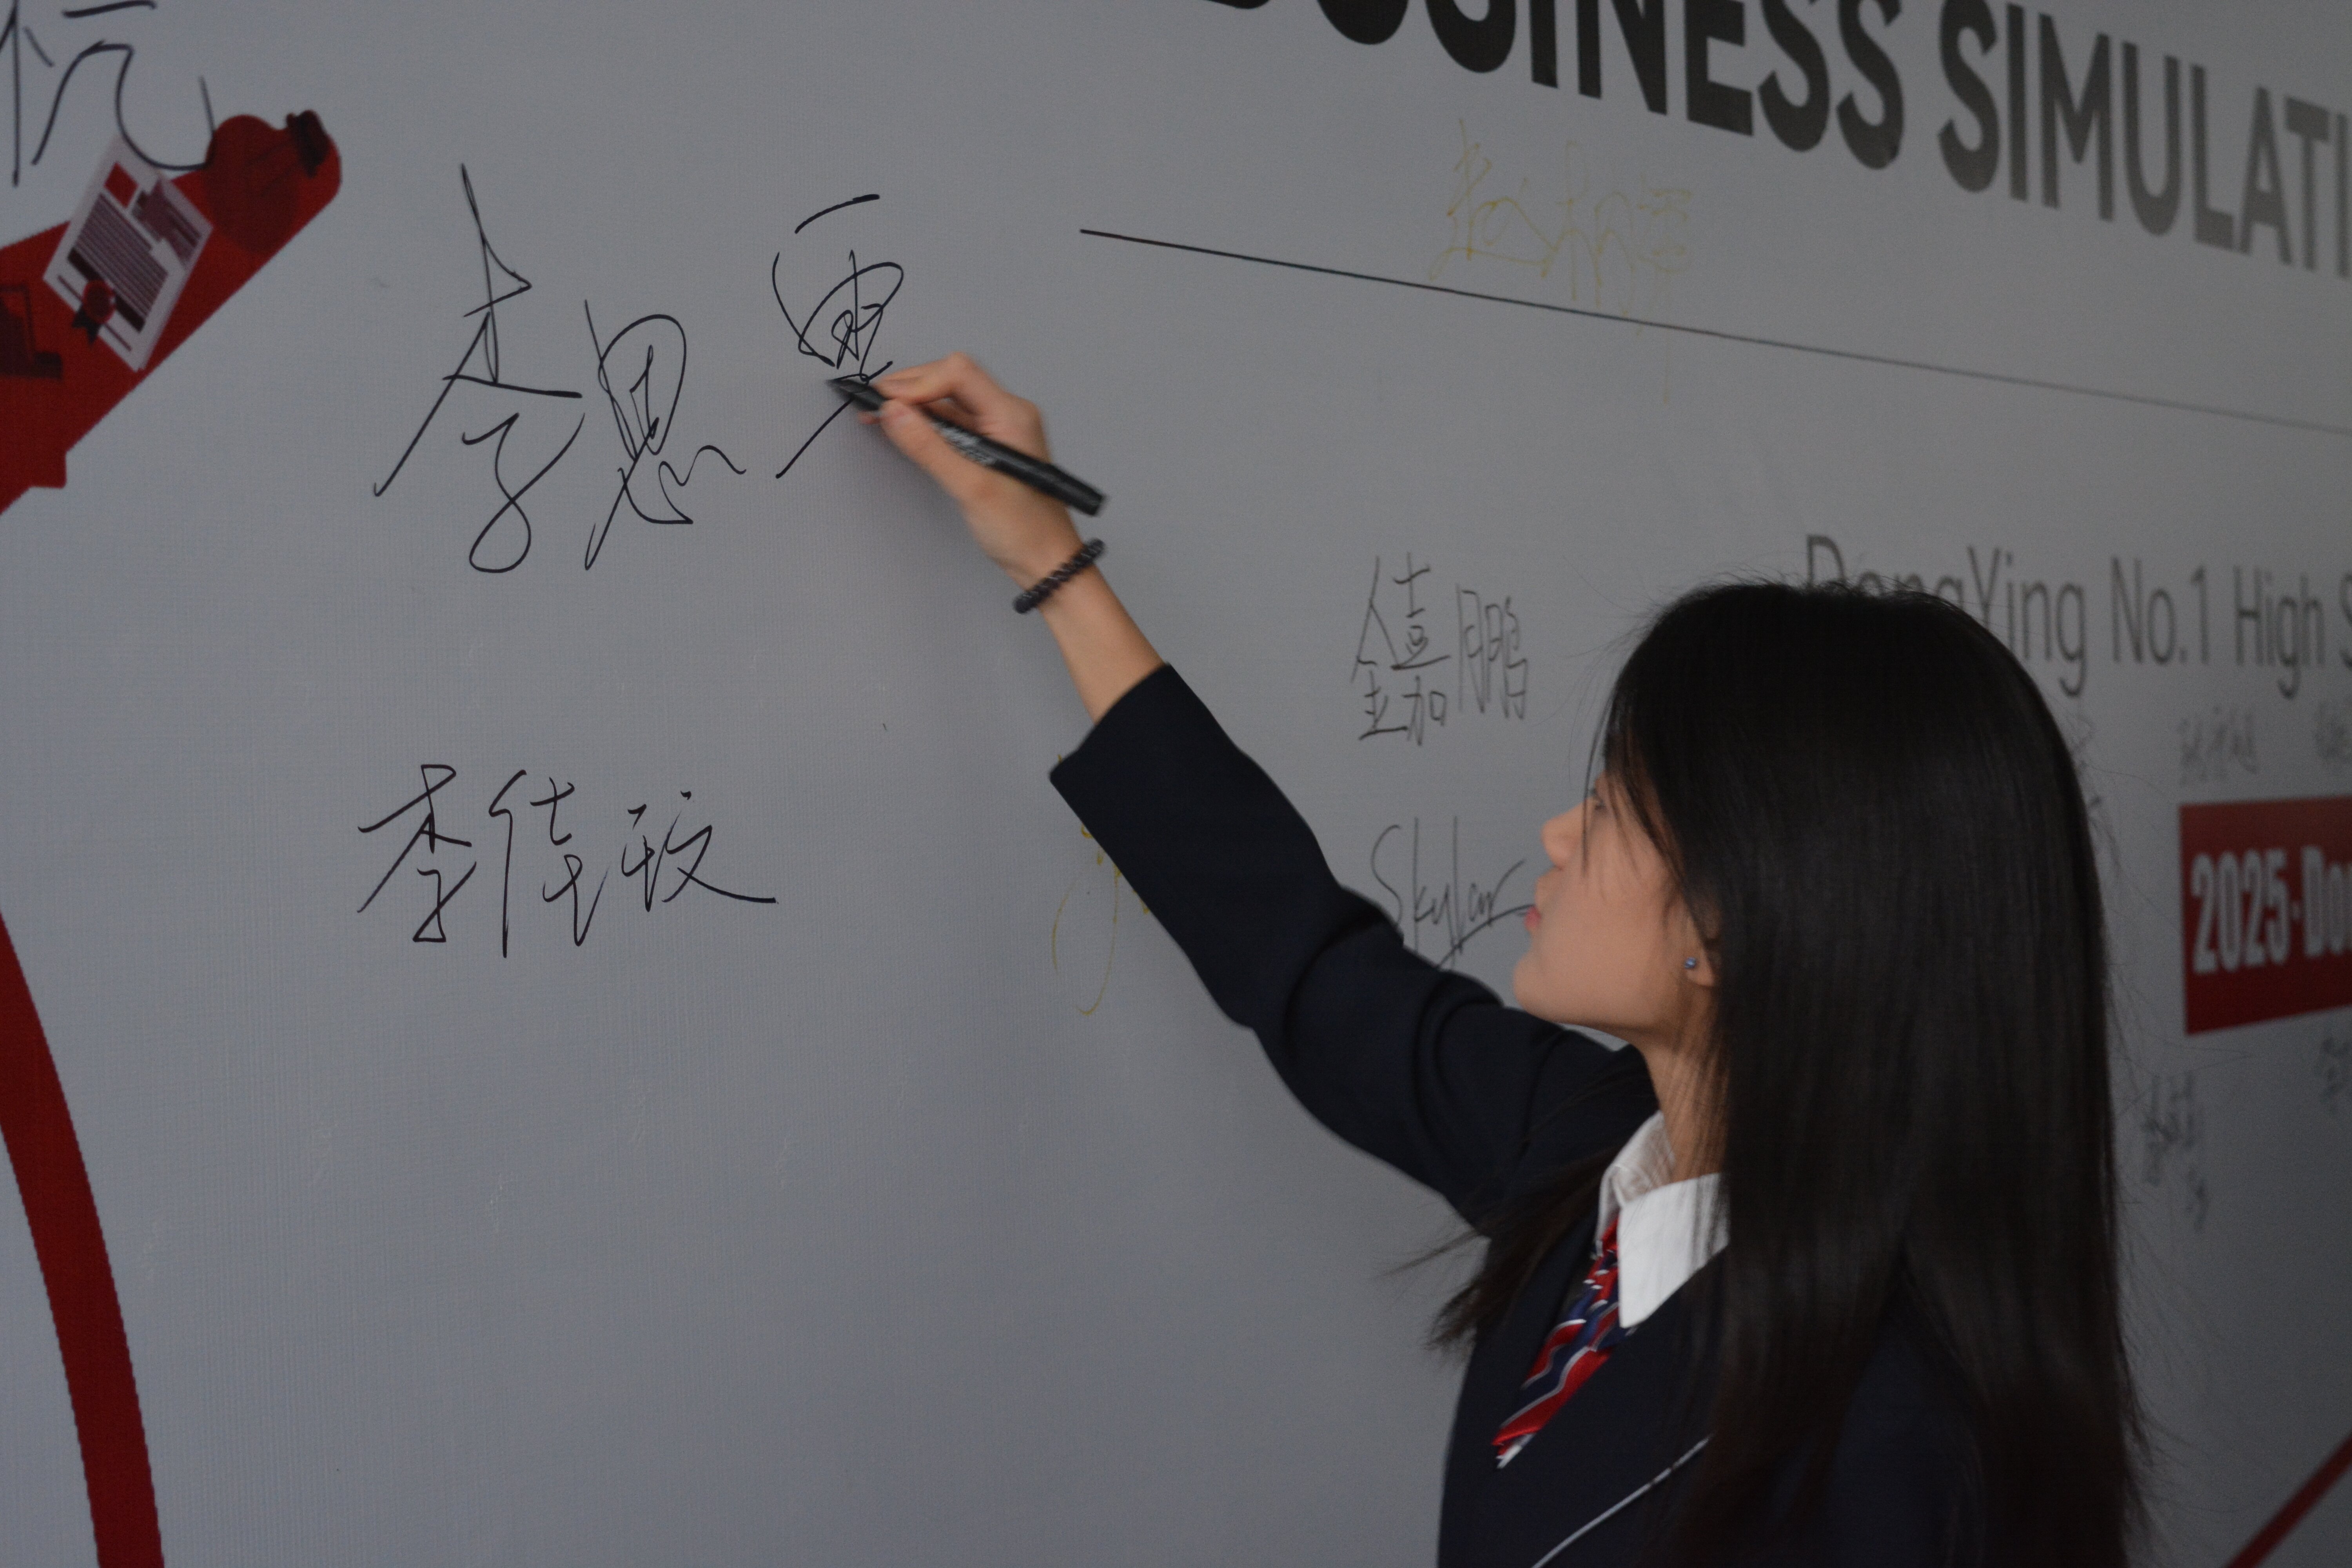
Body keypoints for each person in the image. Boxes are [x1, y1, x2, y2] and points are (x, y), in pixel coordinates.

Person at [857, 354, 2142, 1567]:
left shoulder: (1887, 1452)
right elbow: (1302, 956)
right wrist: (1054, 565)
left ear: (1735, 924)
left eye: (1618, 804)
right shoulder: (1595, 1148)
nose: (1560, 835)